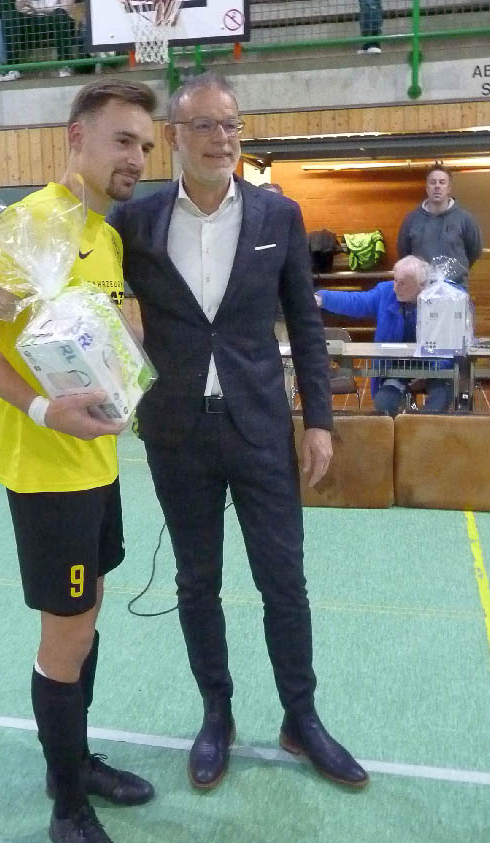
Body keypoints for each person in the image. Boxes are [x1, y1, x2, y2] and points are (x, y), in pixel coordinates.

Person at [109, 73, 368, 795]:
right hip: (177, 432)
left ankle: (301, 717)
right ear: (175, 137)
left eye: (231, 125)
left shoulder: (278, 215)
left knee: (284, 579)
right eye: (205, 126)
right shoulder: (135, 222)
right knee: (197, 581)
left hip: (260, 427)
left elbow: (307, 326)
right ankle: (216, 713)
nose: (221, 139)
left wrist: (319, 421)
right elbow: (103, 306)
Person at [0, 79, 157, 843]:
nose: (137, 157)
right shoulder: (30, 224)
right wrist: (38, 406)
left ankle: (76, 758)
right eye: (123, 140)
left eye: (145, 145)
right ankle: (69, 809)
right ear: (77, 138)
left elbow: (111, 330)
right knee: (65, 637)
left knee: (87, 618)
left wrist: (124, 361)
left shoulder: (102, 234)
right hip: (46, 473)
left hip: (96, 466)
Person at [316, 255, 453, 415]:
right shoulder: (386, 293)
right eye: (395, 280)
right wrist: (322, 298)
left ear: (421, 285)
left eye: (403, 283)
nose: (395, 287)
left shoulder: (443, 298)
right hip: (396, 369)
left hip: (435, 369)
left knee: (437, 405)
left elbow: (453, 348)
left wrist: (428, 375)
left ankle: (423, 428)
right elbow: (356, 301)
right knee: (384, 403)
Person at [397, 164, 482, 289]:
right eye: (433, 182)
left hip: (456, 289)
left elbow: (474, 251)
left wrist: (457, 273)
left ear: (449, 188)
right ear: (427, 188)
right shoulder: (411, 220)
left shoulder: (465, 219)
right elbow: (404, 253)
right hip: (421, 290)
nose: (437, 186)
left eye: (442, 182)